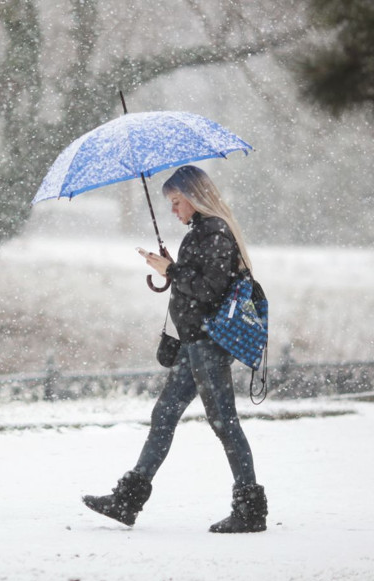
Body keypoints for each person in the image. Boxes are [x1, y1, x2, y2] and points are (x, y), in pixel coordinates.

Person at [82, 165, 267, 533]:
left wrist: (174, 271)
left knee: (224, 422)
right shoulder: (201, 232)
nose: (173, 209)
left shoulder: (214, 231)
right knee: (164, 414)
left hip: (208, 343)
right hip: (193, 342)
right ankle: (127, 501)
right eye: (170, 203)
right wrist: (171, 268)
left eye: (177, 201)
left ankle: (250, 511)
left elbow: (210, 290)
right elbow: (198, 281)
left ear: (195, 198)